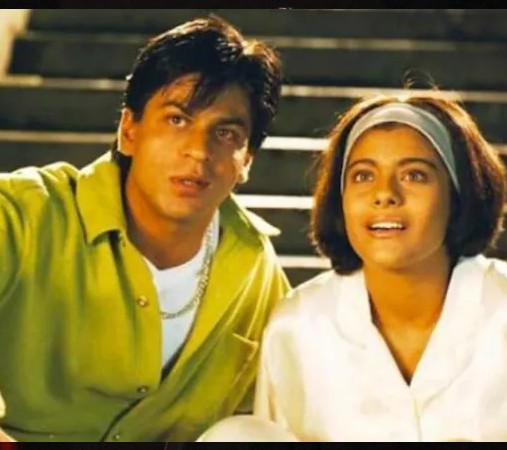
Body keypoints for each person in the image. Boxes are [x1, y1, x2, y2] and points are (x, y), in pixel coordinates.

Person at [0, 15, 290, 442]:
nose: (199, 151)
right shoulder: (23, 214)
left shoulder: (255, 269)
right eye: (177, 120)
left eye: (226, 133)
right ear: (129, 130)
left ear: (246, 160)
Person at [252, 92, 507, 441]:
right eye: (362, 176)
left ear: (457, 195)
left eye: (414, 175)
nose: (384, 194)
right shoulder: (296, 329)